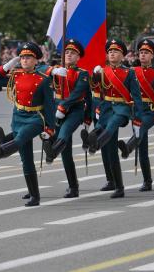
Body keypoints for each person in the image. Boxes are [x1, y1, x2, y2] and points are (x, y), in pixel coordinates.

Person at [0, 42, 55, 207]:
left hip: (35, 117)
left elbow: (50, 106)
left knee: (23, 136)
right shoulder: (15, 75)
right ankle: (34, 195)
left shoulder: (43, 79)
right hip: (18, 116)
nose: (24, 60)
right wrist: (8, 65)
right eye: (22, 57)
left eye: (28, 57)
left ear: (35, 60)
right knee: (26, 159)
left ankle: (2, 150)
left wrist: (50, 128)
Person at [85, 38, 143, 198]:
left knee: (111, 126)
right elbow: (96, 91)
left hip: (122, 109)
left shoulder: (129, 73)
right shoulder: (103, 71)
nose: (112, 53)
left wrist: (137, 119)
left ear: (123, 55)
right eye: (110, 51)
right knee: (110, 150)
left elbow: (136, 97)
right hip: (105, 107)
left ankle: (94, 143)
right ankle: (119, 186)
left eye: (115, 51)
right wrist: (95, 79)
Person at [42, 39, 90, 198]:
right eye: (67, 52)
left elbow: (79, 92)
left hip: (74, 110)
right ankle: (73, 186)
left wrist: (64, 106)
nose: (69, 55)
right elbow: (38, 70)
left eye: (73, 53)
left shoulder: (82, 73)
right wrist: (52, 71)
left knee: (64, 133)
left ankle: (52, 152)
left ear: (78, 57)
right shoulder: (57, 69)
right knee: (66, 153)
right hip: (56, 110)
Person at [118, 38, 154, 191]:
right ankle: (147, 180)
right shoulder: (132, 72)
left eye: (146, 53)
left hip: (150, 112)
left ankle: (127, 148)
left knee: (142, 127)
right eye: (141, 53)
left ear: (152, 56)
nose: (143, 55)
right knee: (143, 148)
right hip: (136, 111)